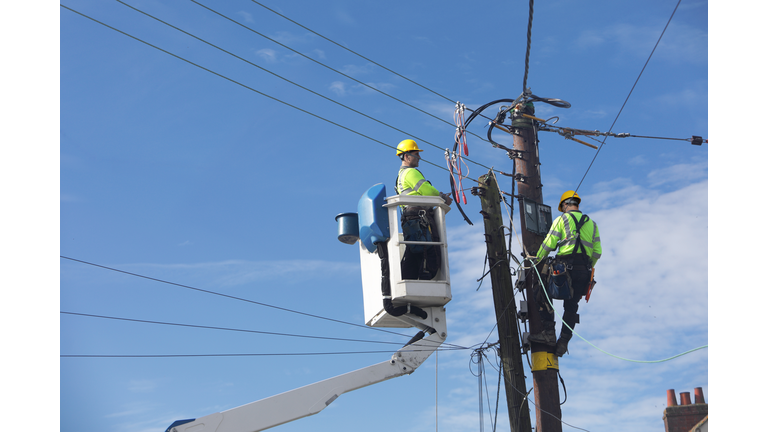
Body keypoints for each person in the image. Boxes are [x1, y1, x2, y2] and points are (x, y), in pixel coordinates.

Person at [527, 190, 602, 357]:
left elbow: (549, 243)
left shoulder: (562, 219)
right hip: (584, 271)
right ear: (577, 204)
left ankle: (548, 333)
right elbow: (597, 252)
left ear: (565, 205)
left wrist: (536, 259)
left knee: (541, 290)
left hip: (563, 269)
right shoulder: (593, 224)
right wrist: (588, 266)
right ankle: (563, 342)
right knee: (572, 306)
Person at [394, 139, 453, 280]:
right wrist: (443, 197)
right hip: (419, 219)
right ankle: (423, 278)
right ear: (407, 156)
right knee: (429, 252)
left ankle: (410, 281)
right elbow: (427, 190)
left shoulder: (401, 176)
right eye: (416, 154)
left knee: (415, 252)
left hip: (411, 220)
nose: (419, 157)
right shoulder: (410, 172)